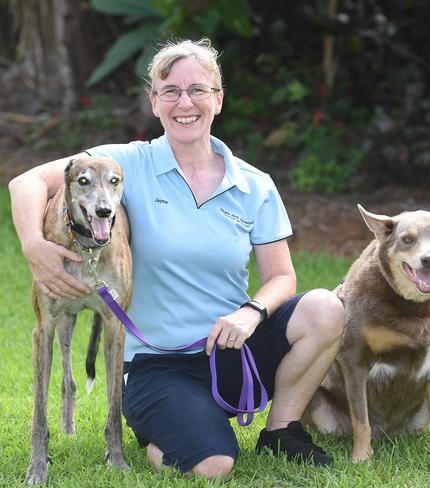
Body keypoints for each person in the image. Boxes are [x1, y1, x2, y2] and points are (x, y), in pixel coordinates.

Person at [9, 38, 344, 480]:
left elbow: (281, 276)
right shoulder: (128, 163)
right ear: (155, 102)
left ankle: (282, 430)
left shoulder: (255, 184)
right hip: (157, 364)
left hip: (230, 348)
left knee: (325, 307)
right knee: (213, 466)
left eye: (198, 90)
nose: (184, 102)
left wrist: (251, 311)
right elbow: (26, 181)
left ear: (218, 99)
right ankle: (163, 424)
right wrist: (34, 247)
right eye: (170, 91)